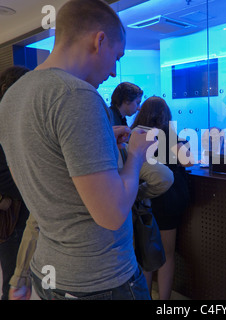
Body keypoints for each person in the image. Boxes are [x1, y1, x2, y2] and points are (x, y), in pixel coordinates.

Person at [0, 0, 156, 300]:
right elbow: (111, 214)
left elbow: (43, 175)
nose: (113, 73)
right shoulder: (77, 95)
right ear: (99, 41)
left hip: (49, 272)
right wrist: (136, 153)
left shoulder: (12, 97)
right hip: (100, 280)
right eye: (116, 57)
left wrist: (101, 138)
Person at [132, 96, 195, 300]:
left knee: (145, 254)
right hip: (169, 196)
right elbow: (188, 162)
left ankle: (145, 296)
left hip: (143, 194)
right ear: (165, 114)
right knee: (167, 255)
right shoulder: (168, 132)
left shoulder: (136, 132)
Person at [0, 65, 30, 300]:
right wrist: (35, 184)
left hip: (22, 211)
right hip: (14, 217)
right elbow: (3, 175)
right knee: (14, 281)